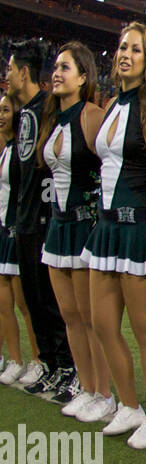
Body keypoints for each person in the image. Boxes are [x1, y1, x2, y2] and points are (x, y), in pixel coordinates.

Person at [85, 21, 146, 447]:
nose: (124, 54)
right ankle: (127, 404)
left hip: (139, 227)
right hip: (105, 228)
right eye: (122, 47)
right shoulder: (110, 105)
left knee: (144, 328)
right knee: (103, 324)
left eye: (135, 50)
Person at [38, 42, 113, 421]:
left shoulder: (93, 115)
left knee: (89, 316)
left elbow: (113, 166)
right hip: (58, 225)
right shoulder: (54, 118)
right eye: (55, 67)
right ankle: (86, 387)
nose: (57, 73)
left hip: (85, 224)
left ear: (84, 77)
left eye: (65, 68)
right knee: (69, 314)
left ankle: (105, 392)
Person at [5, 38, 76, 400]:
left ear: (23, 72)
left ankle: (69, 367)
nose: (6, 76)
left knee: (51, 301)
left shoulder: (47, 108)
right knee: (33, 299)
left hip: (45, 221)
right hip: (25, 220)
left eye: (9, 69)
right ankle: (50, 366)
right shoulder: (23, 115)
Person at [0, 93, 39, 387]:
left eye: (5, 110)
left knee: (25, 304)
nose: (1, 115)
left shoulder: (20, 151)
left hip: (16, 230)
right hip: (3, 230)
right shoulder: (6, 149)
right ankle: (13, 358)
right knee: (3, 303)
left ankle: (39, 360)